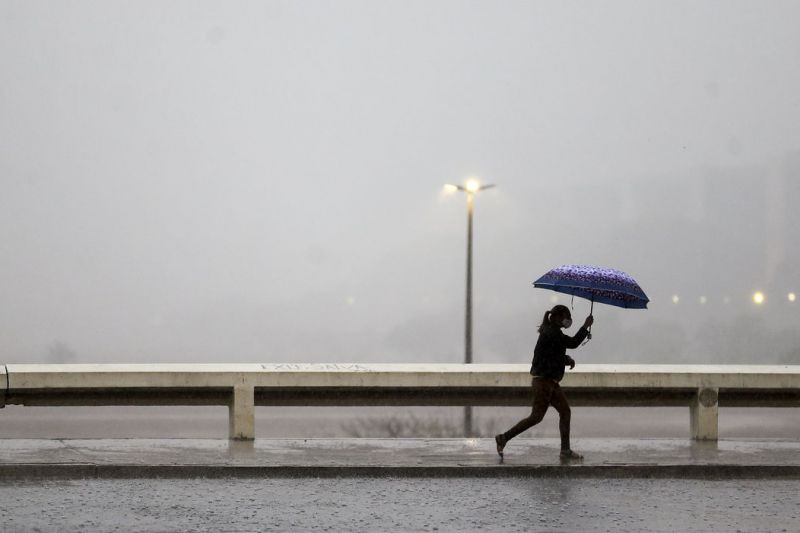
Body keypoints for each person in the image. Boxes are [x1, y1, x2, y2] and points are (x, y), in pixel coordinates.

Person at [494, 304, 593, 460]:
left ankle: (565, 450)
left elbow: (553, 355)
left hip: (550, 382)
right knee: (536, 417)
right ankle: (504, 438)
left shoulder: (551, 332)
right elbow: (572, 343)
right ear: (556, 317)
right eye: (565, 317)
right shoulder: (552, 333)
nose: (567, 320)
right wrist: (585, 326)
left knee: (565, 411)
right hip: (544, 382)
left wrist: (566, 359)